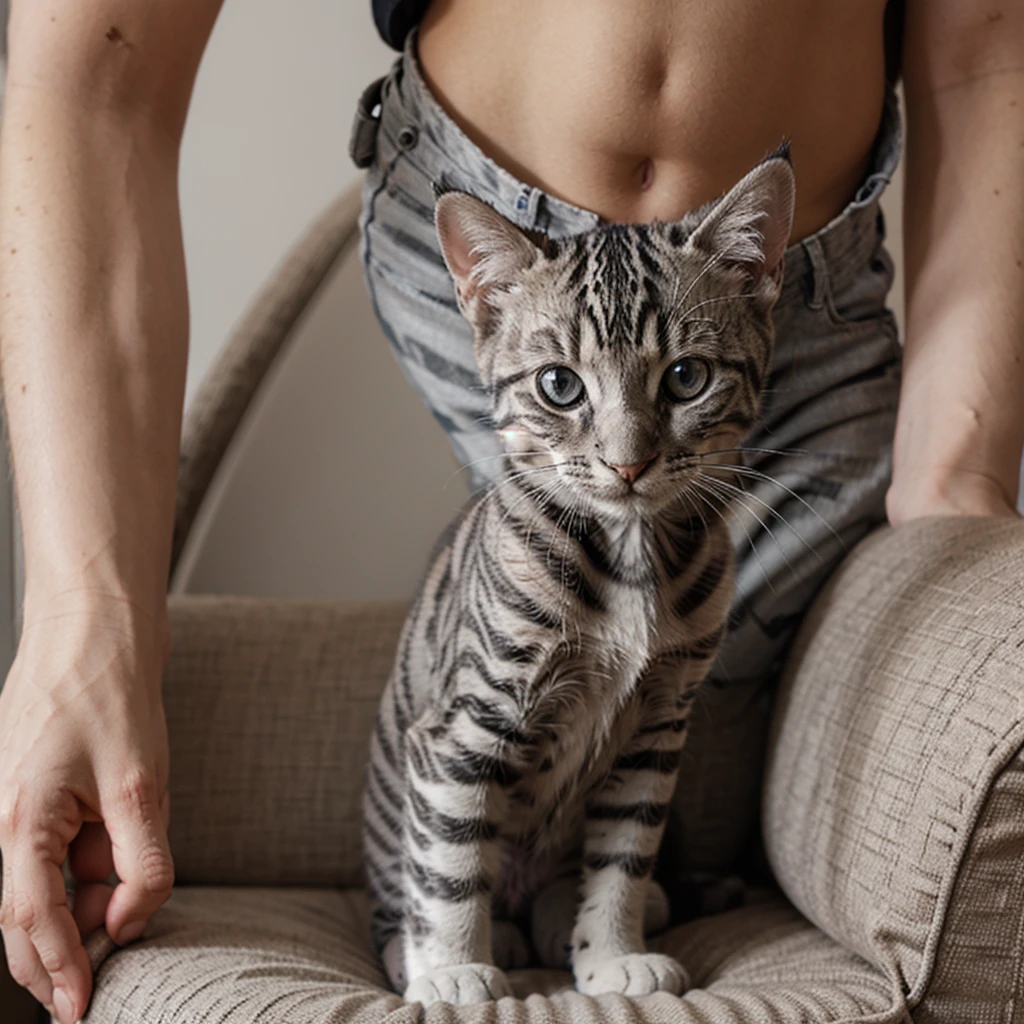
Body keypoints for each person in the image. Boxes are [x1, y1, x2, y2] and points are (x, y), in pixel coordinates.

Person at [0, 2, 1020, 1022]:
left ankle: (594, 903)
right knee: (529, 647)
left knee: (690, 707)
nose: (625, 458)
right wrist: (79, 623)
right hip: (486, 218)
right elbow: (98, 70)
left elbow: (989, 44)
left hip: (791, 288)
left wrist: (960, 499)